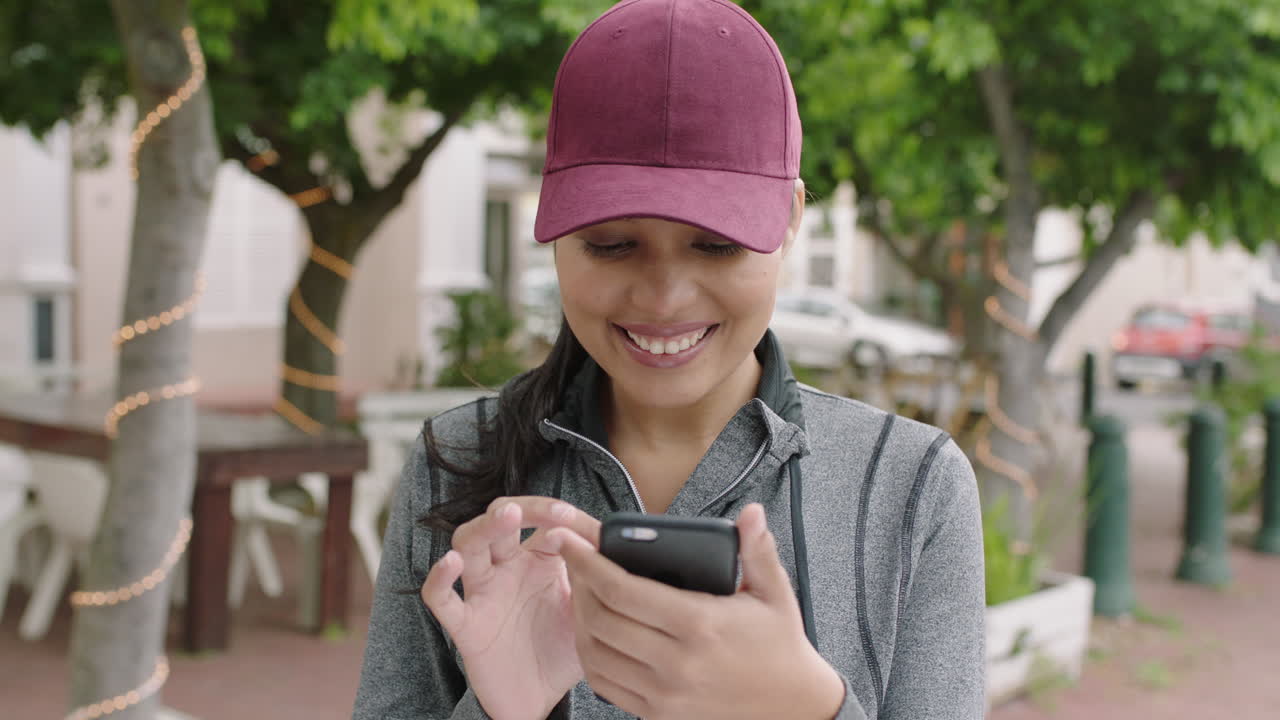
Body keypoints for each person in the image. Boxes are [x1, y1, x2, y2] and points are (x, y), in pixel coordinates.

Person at [352, 1, 985, 718]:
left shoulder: (911, 486)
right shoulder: (455, 463)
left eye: (715, 244)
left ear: (792, 217)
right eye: (612, 244)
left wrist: (806, 706)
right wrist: (503, 710)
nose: (662, 297)